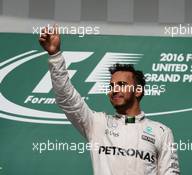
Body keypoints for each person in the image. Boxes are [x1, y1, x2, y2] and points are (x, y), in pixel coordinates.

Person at [38, 26, 180, 175]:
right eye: (111, 86)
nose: (114, 90)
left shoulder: (161, 132)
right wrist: (55, 56)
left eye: (122, 85)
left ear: (138, 91)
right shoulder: (97, 123)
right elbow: (66, 98)